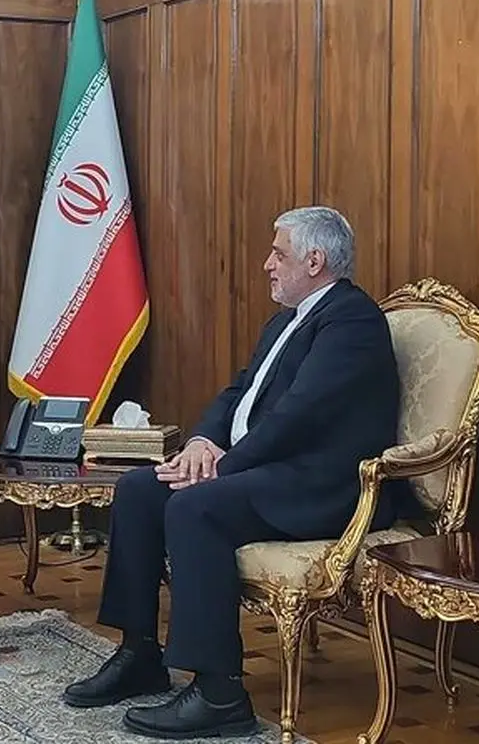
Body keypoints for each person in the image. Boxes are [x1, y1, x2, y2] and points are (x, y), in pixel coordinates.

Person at [61, 206, 410, 738]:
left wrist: (222, 468)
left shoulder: (352, 320)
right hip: (266, 469)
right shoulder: (286, 321)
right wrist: (202, 443)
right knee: (138, 489)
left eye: (279, 253)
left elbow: (300, 415)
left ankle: (220, 693)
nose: (268, 264)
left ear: (315, 261)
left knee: (196, 506)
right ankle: (139, 655)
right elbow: (238, 392)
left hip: (323, 485)